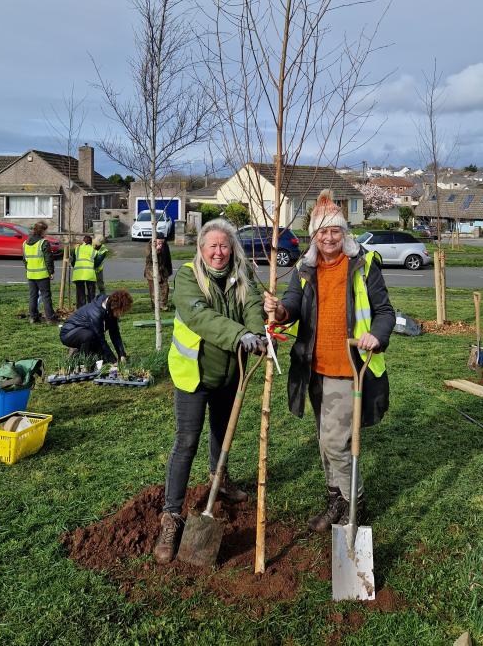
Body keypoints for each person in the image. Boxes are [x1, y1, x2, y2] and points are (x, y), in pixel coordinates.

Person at [263, 190, 395, 532]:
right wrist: (280, 311)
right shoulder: (305, 269)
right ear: (314, 235)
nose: (329, 237)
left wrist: (377, 336)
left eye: (335, 230)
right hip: (314, 369)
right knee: (325, 444)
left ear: (344, 233)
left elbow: (384, 311)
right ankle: (336, 500)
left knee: (336, 443)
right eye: (322, 231)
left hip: (350, 368)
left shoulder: (363, 265)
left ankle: (355, 506)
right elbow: (291, 303)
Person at [153, 218, 267, 565]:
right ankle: (171, 517)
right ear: (202, 249)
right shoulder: (189, 276)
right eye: (212, 246)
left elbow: (253, 308)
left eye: (224, 245)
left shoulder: (242, 275)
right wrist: (239, 337)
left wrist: (257, 332)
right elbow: (198, 316)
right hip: (194, 374)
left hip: (231, 372)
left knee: (223, 433)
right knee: (187, 441)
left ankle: (221, 479)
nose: (219, 252)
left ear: (232, 248)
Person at [59, 289, 132, 362]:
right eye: (122, 311)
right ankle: (82, 361)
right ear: (117, 306)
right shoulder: (96, 312)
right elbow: (100, 338)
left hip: (86, 332)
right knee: (89, 336)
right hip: (69, 333)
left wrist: (121, 354)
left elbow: (115, 334)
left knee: (102, 359)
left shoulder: (110, 309)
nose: (122, 314)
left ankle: (78, 352)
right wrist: (113, 360)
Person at [23, 221, 57, 324]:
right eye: (46, 230)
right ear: (42, 231)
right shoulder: (43, 243)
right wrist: (51, 272)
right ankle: (50, 318)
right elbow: (48, 259)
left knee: (33, 296)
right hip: (42, 275)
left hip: (31, 274)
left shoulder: (25, 243)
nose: (46, 233)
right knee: (46, 296)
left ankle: (33, 317)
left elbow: (24, 260)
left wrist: (29, 269)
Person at [144, 237, 174, 311]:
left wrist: (169, 270)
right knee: (153, 291)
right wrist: (156, 251)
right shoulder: (149, 246)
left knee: (165, 288)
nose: (161, 244)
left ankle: (163, 305)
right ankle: (155, 306)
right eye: (159, 242)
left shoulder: (165, 245)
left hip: (162, 271)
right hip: (151, 271)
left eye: (162, 242)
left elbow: (168, 257)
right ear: (155, 240)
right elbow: (149, 259)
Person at [71, 234, 97, 308]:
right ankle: (92, 308)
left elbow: (73, 261)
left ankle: (81, 308)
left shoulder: (77, 249)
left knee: (80, 293)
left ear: (83, 241)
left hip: (79, 273)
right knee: (91, 292)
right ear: (91, 242)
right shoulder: (93, 249)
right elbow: (97, 261)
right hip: (90, 274)